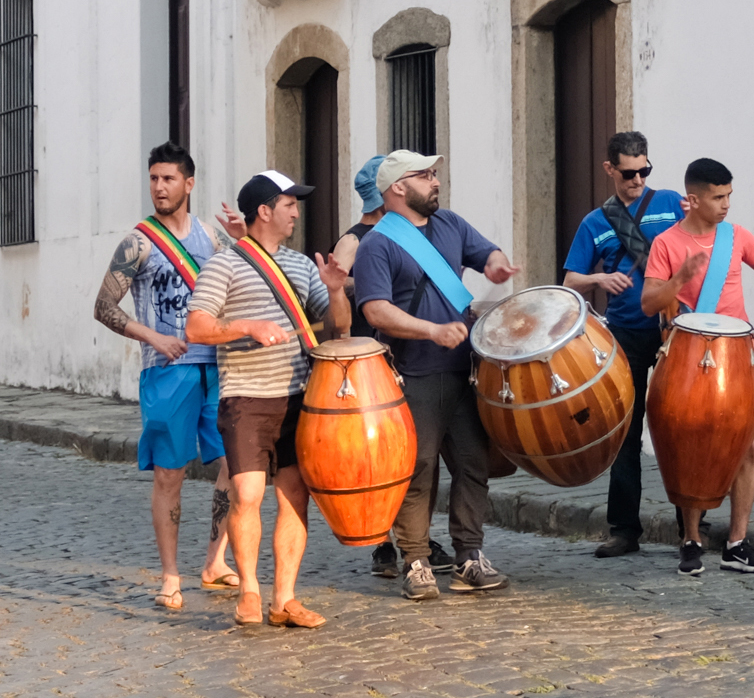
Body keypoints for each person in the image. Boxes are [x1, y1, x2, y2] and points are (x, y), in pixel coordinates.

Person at [185, 171, 350, 629]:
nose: (297, 212)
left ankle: (285, 599)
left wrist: (335, 288)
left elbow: (338, 326)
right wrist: (247, 327)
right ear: (264, 211)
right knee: (248, 495)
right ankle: (250, 593)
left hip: (299, 397)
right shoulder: (224, 265)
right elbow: (196, 328)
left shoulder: (300, 266)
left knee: (296, 497)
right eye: (289, 204)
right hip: (246, 397)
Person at [354, 150, 521, 602]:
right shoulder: (377, 243)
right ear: (397, 189)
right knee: (417, 468)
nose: (436, 182)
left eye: (434, 174)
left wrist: (497, 265)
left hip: (462, 370)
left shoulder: (450, 224)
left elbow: (486, 253)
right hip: (411, 373)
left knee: (472, 464)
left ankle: (469, 556)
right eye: (425, 175)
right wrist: (431, 329)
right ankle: (415, 561)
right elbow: (375, 309)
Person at [91, 142, 238, 610]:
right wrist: (153, 338)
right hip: (166, 372)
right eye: (154, 179)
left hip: (215, 366)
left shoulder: (213, 239)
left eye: (168, 179)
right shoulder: (138, 243)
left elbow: (247, 279)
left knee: (237, 466)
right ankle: (171, 575)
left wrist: (241, 235)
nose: (159, 187)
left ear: (188, 184)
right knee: (169, 475)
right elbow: (103, 307)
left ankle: (216, 561)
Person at [641, 157, 754, 577]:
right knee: (693, 443)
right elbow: (649, 303)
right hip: (690, 352)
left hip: (738, 351)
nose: (726, 204)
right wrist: (678, 279)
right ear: (692, 200)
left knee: (751, 444)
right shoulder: (667, 244)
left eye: (729, 196)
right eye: (717, 197)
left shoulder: (736, 236)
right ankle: (691, 538)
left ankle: (737, 543)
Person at [561, 131, 686, 558]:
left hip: (673, 328)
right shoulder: (596, 222)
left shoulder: (670, 203)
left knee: (677, 426)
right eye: (629, 172)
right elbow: (570, 280)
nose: (637, 180)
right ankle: (624, 530)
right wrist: (598, 279)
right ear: (610, 169)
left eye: (644, 171)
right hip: (625, 332)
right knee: (626, 430)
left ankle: (692, 527)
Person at [331, 152, 452, 580]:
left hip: (405, 349)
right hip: (373, 356)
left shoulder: (417, 230)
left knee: (415, 457)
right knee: (390, 457)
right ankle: (386, 543)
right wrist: (356, 282)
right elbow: (333, 294)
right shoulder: (358, 239)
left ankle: (405, 539)